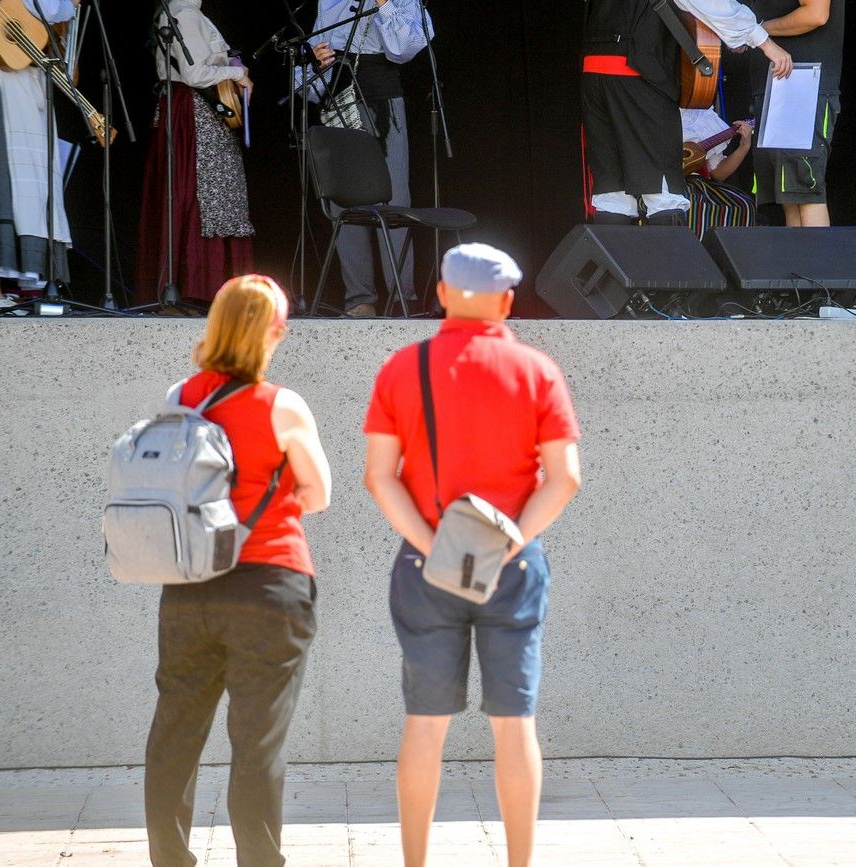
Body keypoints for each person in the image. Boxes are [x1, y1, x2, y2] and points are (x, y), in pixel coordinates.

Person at [363, 243, 582, 867]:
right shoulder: (536, 370)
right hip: (510, 568)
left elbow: (380, 476)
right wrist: (509, 541)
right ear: (507, 301)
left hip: (426, 567)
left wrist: (435, 546)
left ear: (439, 294)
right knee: (515, 725)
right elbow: (564, 477)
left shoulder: (403, 368)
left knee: (425, 723)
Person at [144, 275, 332, 865]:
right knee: (258, 741)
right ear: (272, 332)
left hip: (189, 583)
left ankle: (170, 859)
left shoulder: (182, 397)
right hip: (270, 583)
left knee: (176, 731)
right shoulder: (282, 404)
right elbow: (319, 493)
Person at [582, 0, 791, 226]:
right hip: (638, 73)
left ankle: (612, 262)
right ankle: (671, 262)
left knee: (612, 192)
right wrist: (764, 42)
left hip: (593, 73)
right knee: (662, 190)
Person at [299, 0, 428, 318]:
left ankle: (402, 296)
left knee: (394, 198)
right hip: (340, 101)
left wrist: (384, 4)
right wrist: (316, 63)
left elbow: (405, 48)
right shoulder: (329, 2)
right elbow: (310, 80)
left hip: (383, 104)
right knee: (344, 201)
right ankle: (360, 300)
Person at [136, 0, 255, 305]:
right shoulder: (185, 14)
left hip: (186, 110)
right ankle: (199, 286)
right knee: (202, 193)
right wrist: (236, 72)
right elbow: (194, 73)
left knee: (200, 194)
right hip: (194, 113)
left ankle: (195, 286)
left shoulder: (184, 13)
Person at [0, 0, 79, 308]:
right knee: (7, 185)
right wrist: (67, 5)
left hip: (22, 74)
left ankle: (25, 289)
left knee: (21, 189)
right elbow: (47, 5)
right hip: (6, 78)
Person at [747, 0, 845, 227]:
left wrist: (757, 30)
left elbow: (816, 14)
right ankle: (799, 263)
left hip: (802, 85)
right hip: (779, 86)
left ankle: (819, 263)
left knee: (805, 191)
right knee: (789, 197)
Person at [680, 108, 755, 238]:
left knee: (742, 204)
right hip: (664, 184)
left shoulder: (702, 115)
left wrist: (744, 147)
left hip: (696, 184)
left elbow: (718, 173)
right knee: (688, 203)